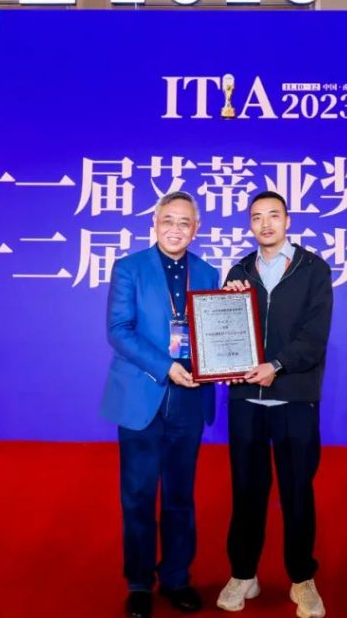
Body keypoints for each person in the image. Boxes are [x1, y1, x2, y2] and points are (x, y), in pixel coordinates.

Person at [100, 191, 219, 618]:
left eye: (185, 222)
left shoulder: (208, 272)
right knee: (138, 495)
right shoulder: (129, 267)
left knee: (180, 495)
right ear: (154, 223)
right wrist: (166, 366)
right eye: (168, 220)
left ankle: (176, 578)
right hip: (141, 395)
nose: (175, 229)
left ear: (196, 229)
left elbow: (217, 330)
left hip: (190, 398)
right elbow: (119, 330)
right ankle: (138, 583)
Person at [217, 191, 332, 618]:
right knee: (246, 492)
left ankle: (302, 579)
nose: (265, 224)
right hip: (246, 398)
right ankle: (243, 573)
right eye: (256, 217)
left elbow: (314, 337)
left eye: (273, 215)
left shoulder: (313, 269)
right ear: (250, 225)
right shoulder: (239, 270)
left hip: (294, 397)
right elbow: (223, 329)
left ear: (288, 221)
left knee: (297, 492)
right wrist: (226, 302)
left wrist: (277, 366)